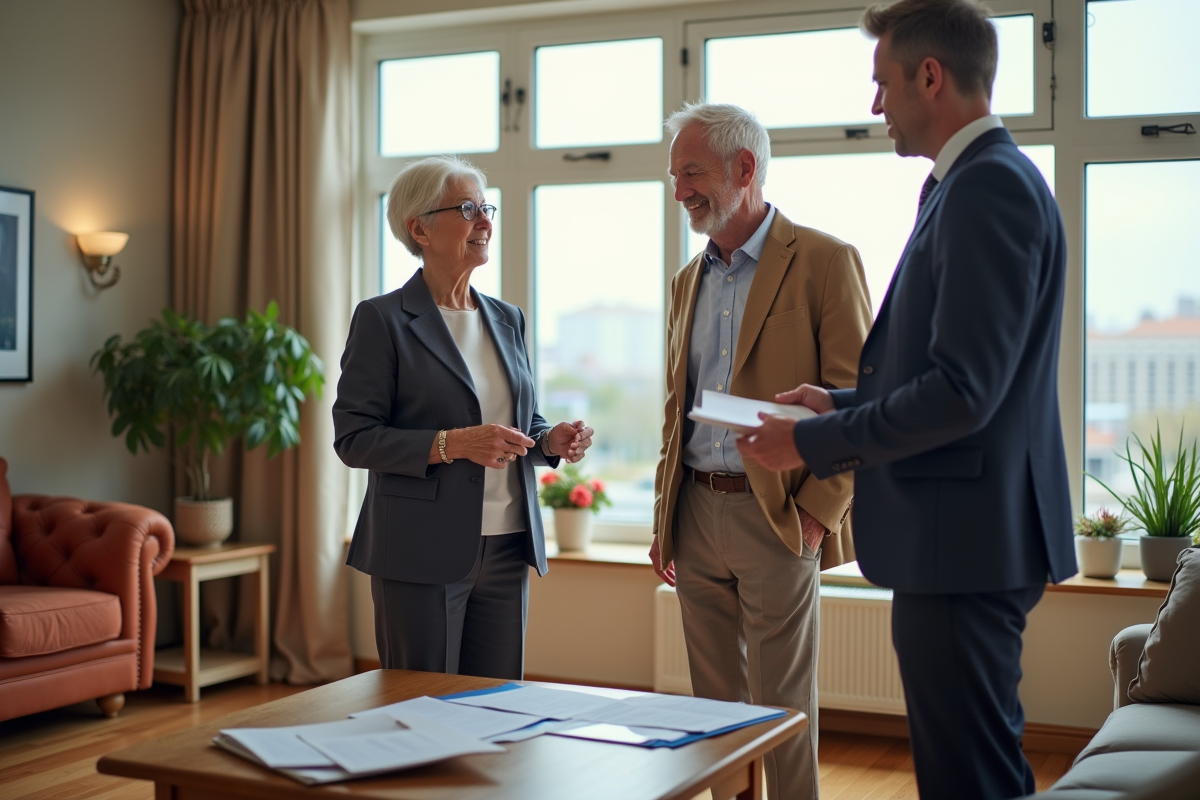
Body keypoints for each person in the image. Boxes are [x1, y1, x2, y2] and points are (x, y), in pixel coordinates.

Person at [735, 2, 1076, 799]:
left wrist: (814, 445)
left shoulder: (988, 188)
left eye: (883, 82)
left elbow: (964, 393)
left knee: (970, 777)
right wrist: (839, 403)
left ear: (932, 75)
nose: (876, 105)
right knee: (968, 765)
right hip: (962, 538)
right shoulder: (969, 185)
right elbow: (958, 373)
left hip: (963, 543)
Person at [651, 103, 872, 800]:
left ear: (743, 168)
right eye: (674, 174)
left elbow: (859, 403)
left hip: (777, 515)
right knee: (714, 711)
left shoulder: (825, 261)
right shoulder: (687, 280)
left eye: (691, 172)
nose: (679, 188)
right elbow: (674, 409)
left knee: (783, 706)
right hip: (695, 510)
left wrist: (817, 514)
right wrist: (665, 516)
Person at [333, 155, 593, 680]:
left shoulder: (507, 318)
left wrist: (549, 442)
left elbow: (521, 421)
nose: (485, 221)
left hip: (508, 541)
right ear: (418, 228)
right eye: (468, 208)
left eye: (487, 207)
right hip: (418, 548)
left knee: (498, 708)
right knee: (421, 708)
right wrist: (452, 444)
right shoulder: (382, 319)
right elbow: (355, 439)